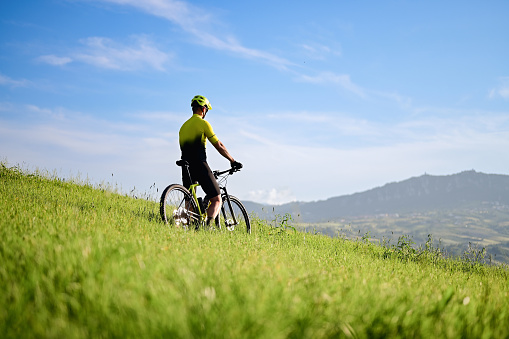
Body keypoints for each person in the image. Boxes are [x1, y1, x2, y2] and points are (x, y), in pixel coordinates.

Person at [179, 95, 242, 227]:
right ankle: (208, 226)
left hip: (185, 167)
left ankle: (188, 226)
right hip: (199, 165)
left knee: (189, 201)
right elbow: (218, 145)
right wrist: (232, 160)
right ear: (203, 109)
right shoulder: (203, 123)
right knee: (217, 199)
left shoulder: (183, 127)